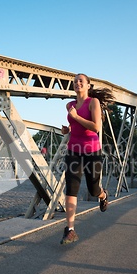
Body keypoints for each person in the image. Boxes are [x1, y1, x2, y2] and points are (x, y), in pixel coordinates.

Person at [60, 73, 114, 245]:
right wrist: (67, 129)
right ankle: (70, 230)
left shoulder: (93, 103)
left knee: (93, 189)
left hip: (92, 150)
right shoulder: (70, 105)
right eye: (75, 82)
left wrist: (75, 117)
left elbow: (96, 127)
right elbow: (74, 124)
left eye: (81, 81)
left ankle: (103, 195)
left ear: (88, 85)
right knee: (71, 188)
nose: (77, 84)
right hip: (73, 150)